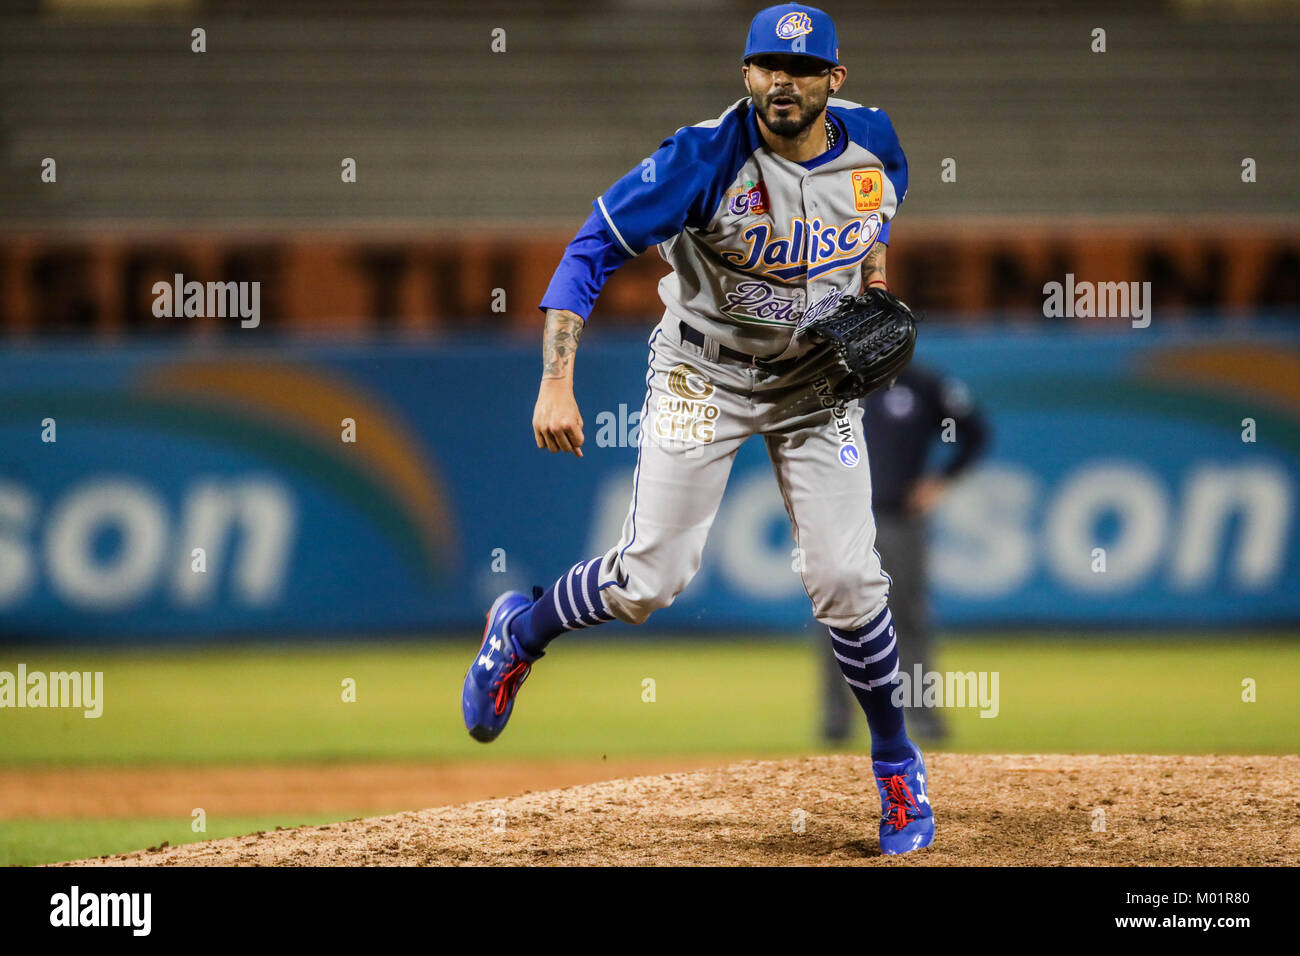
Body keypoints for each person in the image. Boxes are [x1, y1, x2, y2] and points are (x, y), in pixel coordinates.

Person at [460, 3, 934, 854]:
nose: (780, 82)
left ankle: (900, 775)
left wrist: (873, 288)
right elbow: (589, 248)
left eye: (799, 68)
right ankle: (517, 632)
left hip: (815, 379)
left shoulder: (877, 142)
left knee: (848, 580)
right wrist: (555, 383)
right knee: (650, 579)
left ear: (836, 78)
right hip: (700, 372)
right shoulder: (703, 157)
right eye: (764, 65)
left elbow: (874, 219)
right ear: (746, 73)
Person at [821, 364, 990, 745]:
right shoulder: (832, 379)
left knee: (908, 618)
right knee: (834, 616)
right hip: (841, 519)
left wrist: (941, 481)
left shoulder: (924, 383)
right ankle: (836, 719)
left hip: (898, 518)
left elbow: (976, 432)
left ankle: (923, 716)